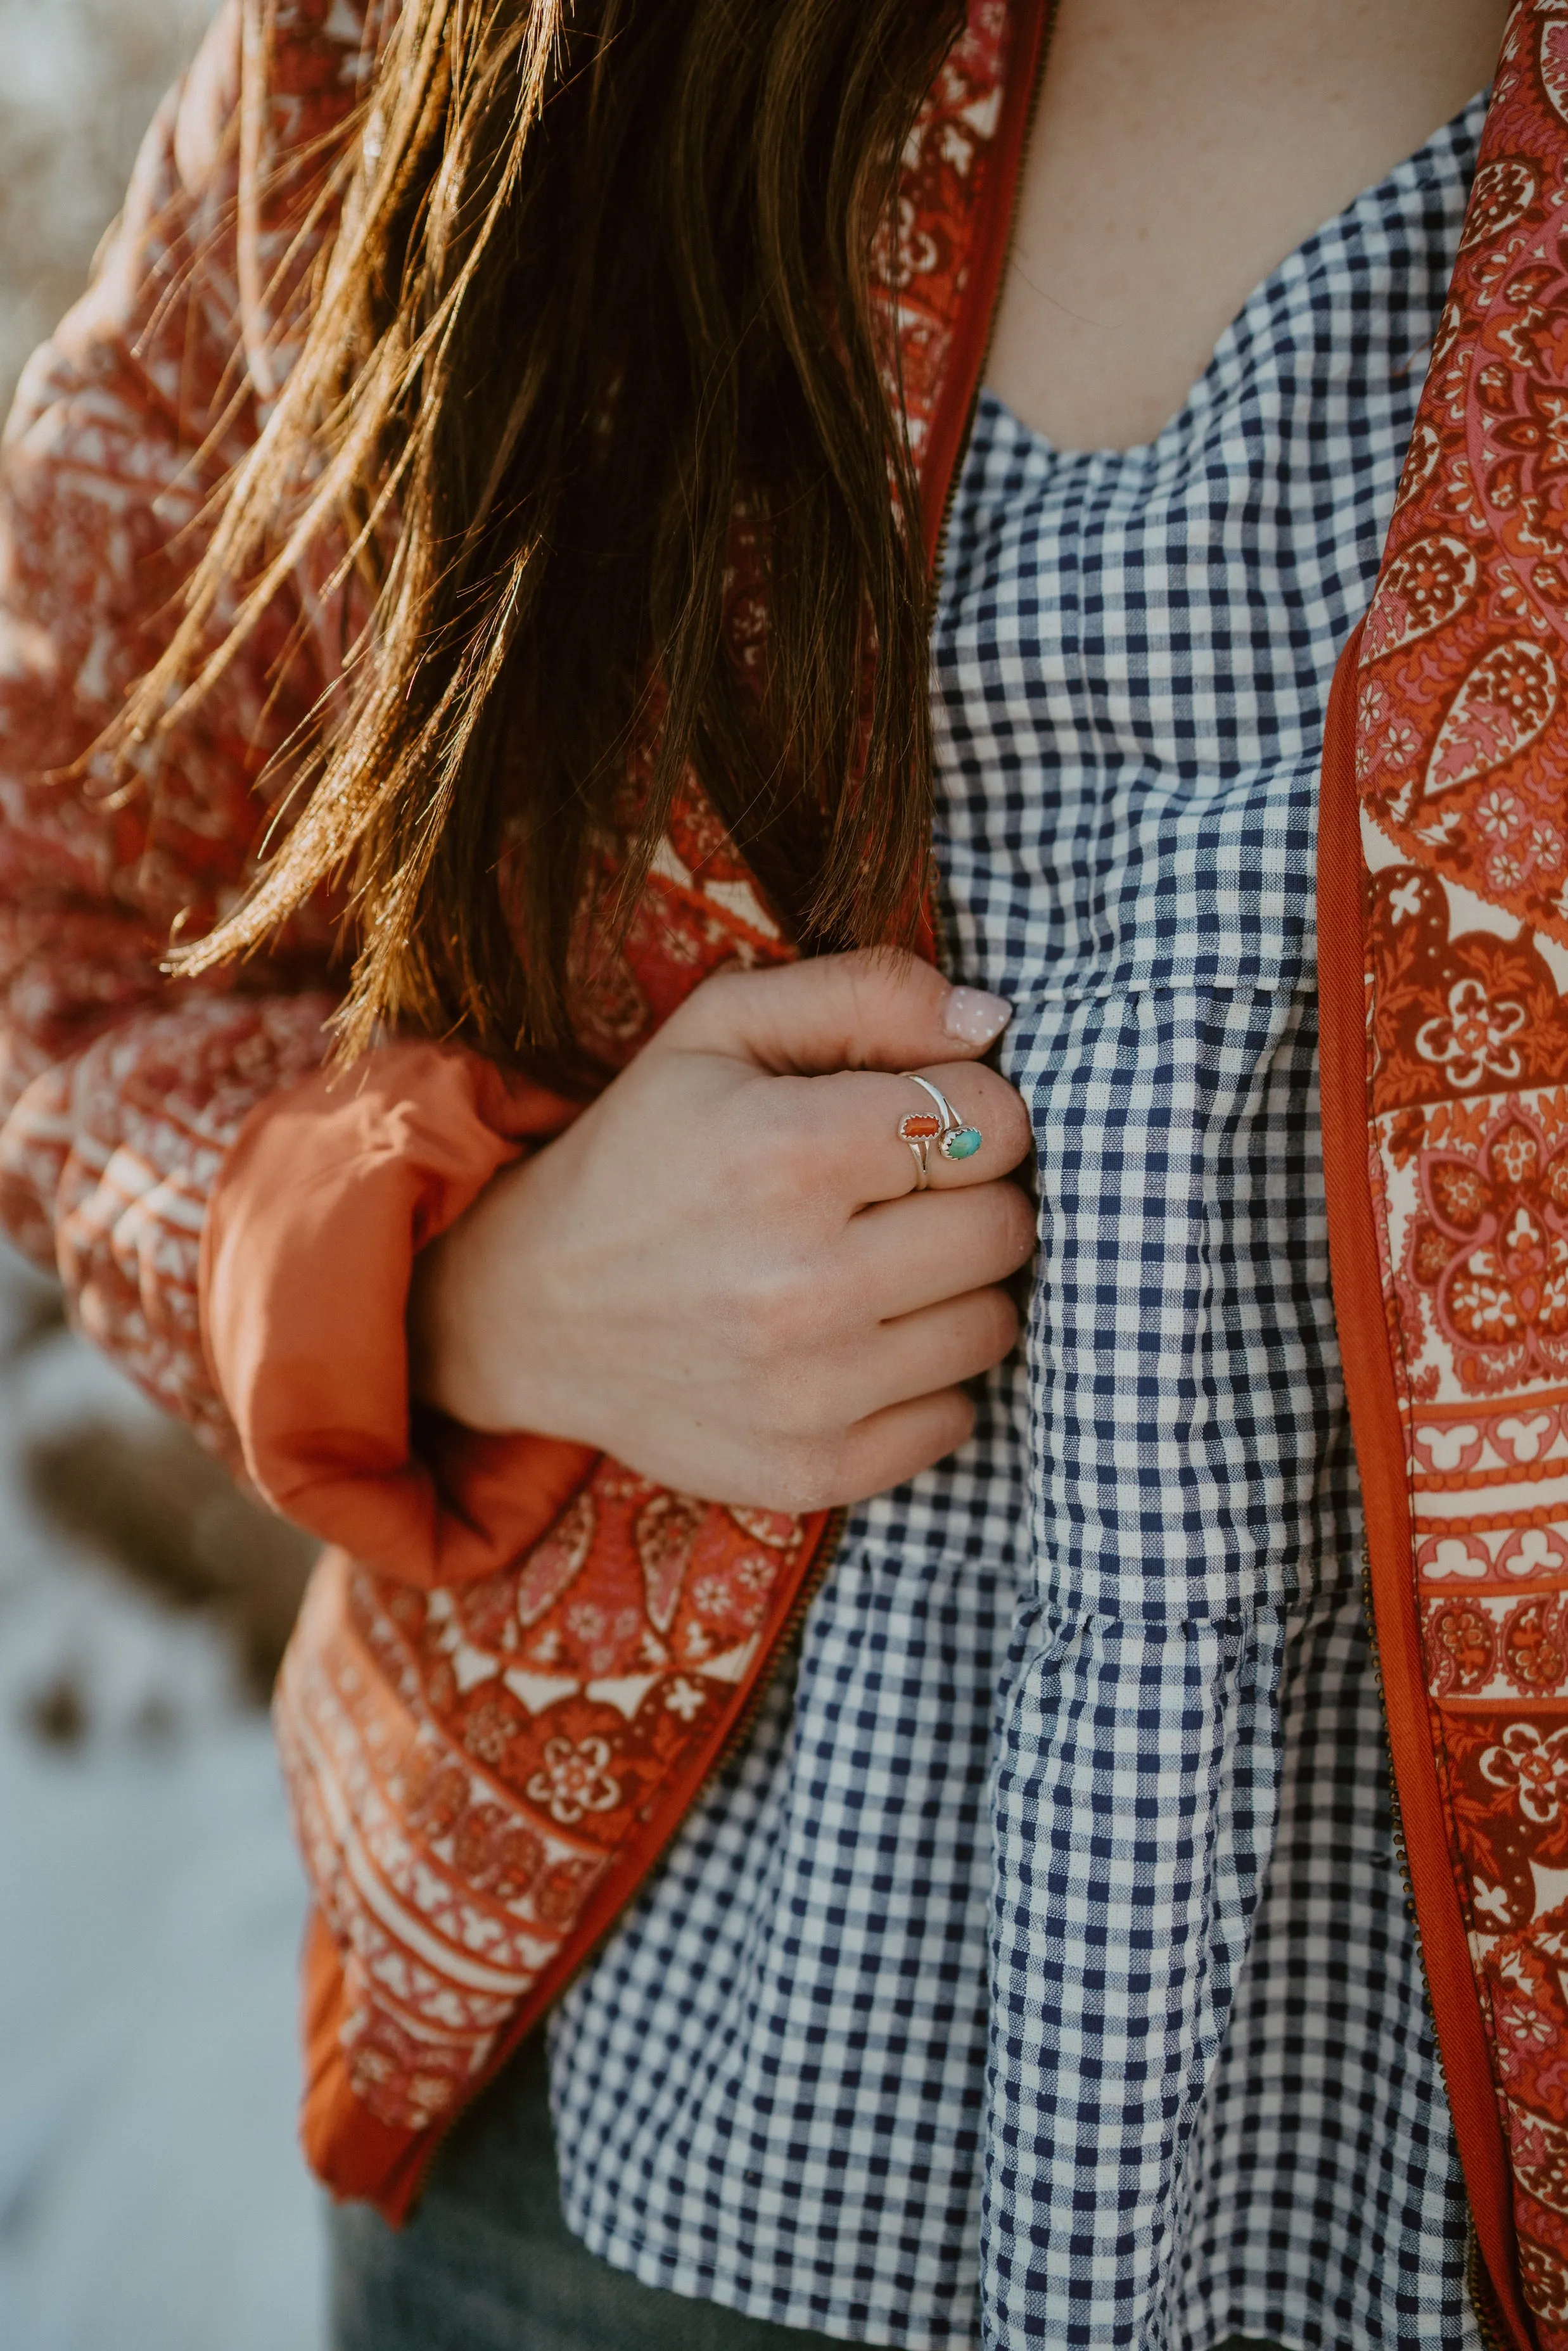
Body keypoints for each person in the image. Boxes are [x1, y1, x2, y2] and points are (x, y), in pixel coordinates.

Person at [0, 0, 1552, 2345]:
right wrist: (457, 1282)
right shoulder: (446, 51)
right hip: (611, 2165)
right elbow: (49, 894)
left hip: (1449, 2194)